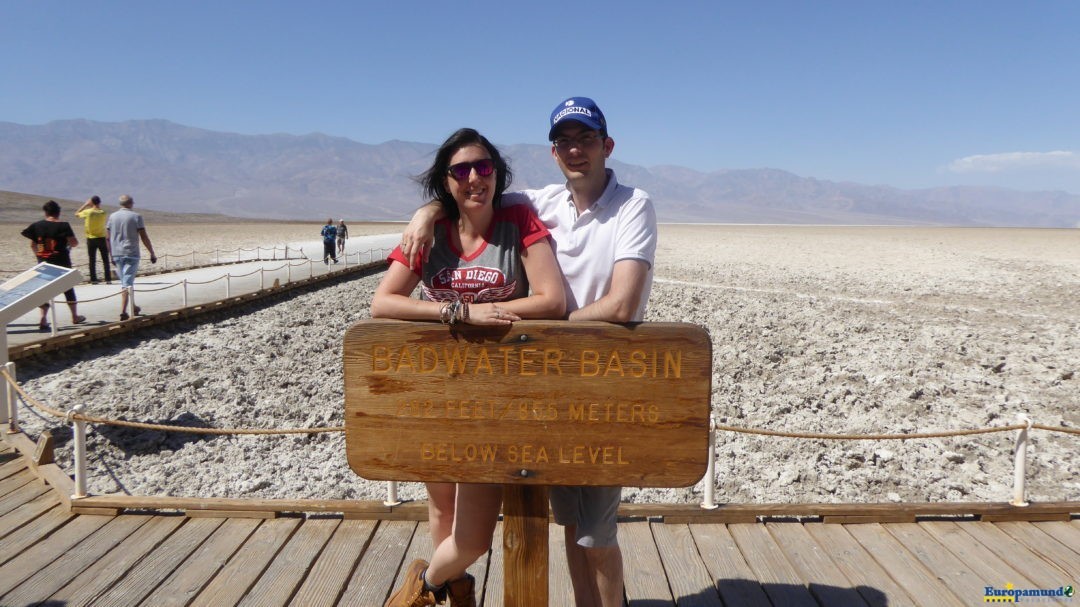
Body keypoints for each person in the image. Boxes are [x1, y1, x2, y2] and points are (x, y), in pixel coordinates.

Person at [402, 98, 657, 607]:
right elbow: (471, 194)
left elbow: (623, 301)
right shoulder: (540, 202)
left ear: (607, 146)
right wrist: (427, 210)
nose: (575, 149)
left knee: (597, 535)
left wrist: (544, 328)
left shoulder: (633, 204)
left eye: (586, 139)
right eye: (565, 141)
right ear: (554, 151)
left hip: (601, 382)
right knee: (570, 522)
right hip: (547, 388)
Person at [374, 127, 565, 607]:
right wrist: (459, 312)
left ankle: (422, 587)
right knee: (441, 507)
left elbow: (553, 299)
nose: (475, 178)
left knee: (474, 538)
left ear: (497, 174)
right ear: (447, 180)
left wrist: (490, 314)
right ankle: (451, 593)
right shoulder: (431, 233)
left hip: (495, 402)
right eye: (461, 170)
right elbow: (383, 302)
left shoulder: (517, 220)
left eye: (484, 167)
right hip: (434, 393)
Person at [21, 200, 88, 330]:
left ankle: (43, 318)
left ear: (45, 212)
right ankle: (74, 316)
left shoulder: (37, 226)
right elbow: (74, 243)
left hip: (44, 262)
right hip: (62, 261)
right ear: (58, 212)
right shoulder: (64, 225)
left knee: (44, 290)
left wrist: (39, 256)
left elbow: (32, 245)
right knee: (68, 288)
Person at [107, 194, 157, 321]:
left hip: (117, 253)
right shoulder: (136, 217)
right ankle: (123, 311)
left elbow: (107, 237)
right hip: (131, 253)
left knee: (125, 281)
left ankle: (133, 306)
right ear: (131, 203)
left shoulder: (112, 217)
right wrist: (151, 252)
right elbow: (143, 236)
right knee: (127, 283)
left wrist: (110, 253)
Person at [74, 195, 111, 284]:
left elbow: (76, 214)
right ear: (99, 202)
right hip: (101, 237)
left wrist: (86, 204)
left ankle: (94, 279)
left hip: (91, 238)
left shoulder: (88, 212)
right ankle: (108, 279)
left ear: (92, 202)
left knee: (92, 259)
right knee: (105, 259)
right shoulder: (103, 212)